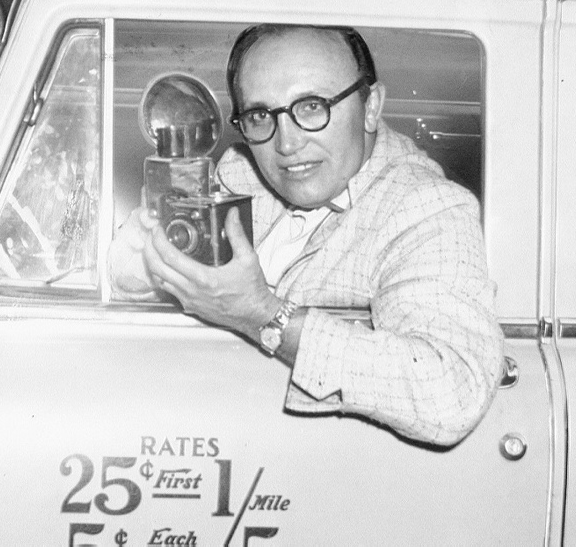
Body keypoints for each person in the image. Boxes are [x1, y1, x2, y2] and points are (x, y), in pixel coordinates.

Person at [109, 24, 504, 446]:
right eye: (261, 116)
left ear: (371, 107)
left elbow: (450, 394)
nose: (287, 144)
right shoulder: (241, 172)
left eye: (312, 107)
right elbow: (152, 283)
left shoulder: (427, 209)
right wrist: (142, 266)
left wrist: (264, 314)